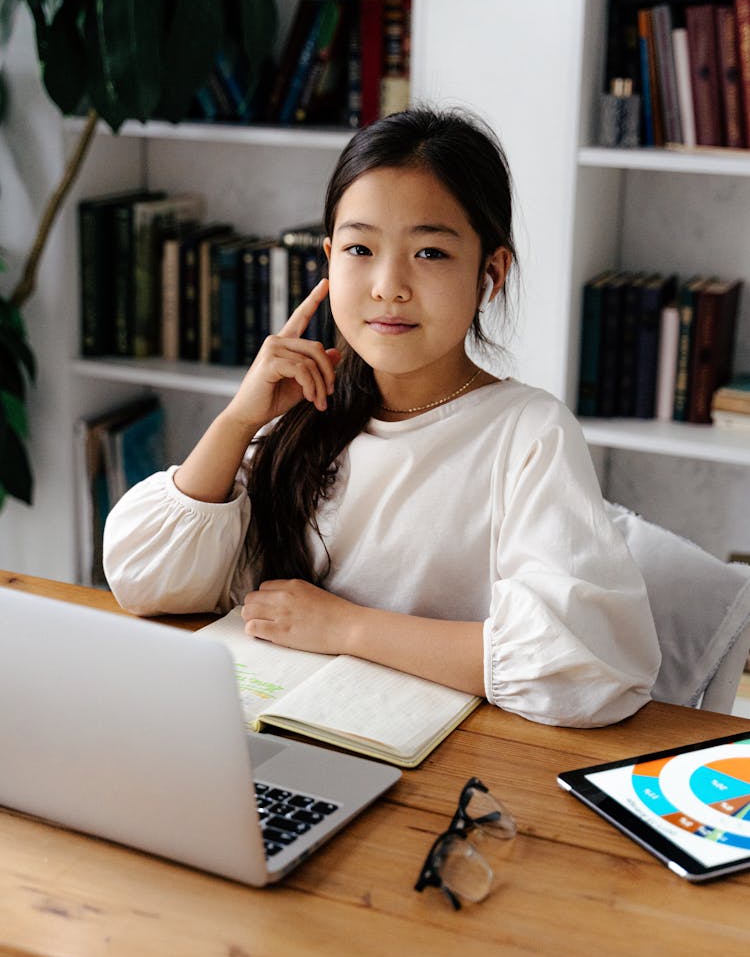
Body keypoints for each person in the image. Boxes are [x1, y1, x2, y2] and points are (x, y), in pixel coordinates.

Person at [103, 107, 660, 727]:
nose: (389, 285)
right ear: (328, 259)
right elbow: (144, 580)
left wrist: (347, 628)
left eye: (429, 252)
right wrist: (237, 421)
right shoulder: (301, 412)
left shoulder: (527, 432)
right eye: (361, 248)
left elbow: (585, 666)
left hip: (436, 760)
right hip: (258, 734)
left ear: (490, 274)